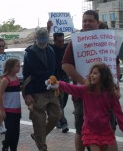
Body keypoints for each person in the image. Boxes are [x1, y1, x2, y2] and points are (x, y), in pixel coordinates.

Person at [62, 10, 120, 151]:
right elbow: (65, 65)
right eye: (84, 21)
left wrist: (115, 83)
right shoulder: (76, 41)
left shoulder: (107, 39)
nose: (86, 23)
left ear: (97, 22)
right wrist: (84, 81)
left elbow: (115, 64)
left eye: (90, 20)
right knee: (81, 130)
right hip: (84, 95)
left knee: (109, 128)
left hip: (105, 94)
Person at [47, 62, 123, 151]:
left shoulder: (110, 95)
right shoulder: (86, 90)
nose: (91, 75)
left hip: (105, 130)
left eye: (95, 73)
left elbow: (118, 113)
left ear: (103, 76)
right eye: (91, 73)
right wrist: (58, 83)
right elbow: (71, 88)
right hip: (90, 129)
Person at [22, 27, 61, 151]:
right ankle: (42, 146)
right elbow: (26, 76)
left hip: (51, 90)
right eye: (40, 38)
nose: (43, 41)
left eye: (45, 38)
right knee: (39, 122)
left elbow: (55, 70)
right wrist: (27, 94)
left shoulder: (51, 50)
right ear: (36, 38)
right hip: (37, 92)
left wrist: (58, 85)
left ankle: (38, 136)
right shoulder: (29, 53)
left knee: (56, 116)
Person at [47, 21, 69, 133]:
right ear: (54, 41)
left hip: (65, 78)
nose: (61, 43)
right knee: (59, 100)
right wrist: (48, 28)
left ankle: (57, 119)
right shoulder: (51, 48)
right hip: (56, 78)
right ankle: (64, 123)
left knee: (64, 101)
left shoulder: (66, 47)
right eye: (59, 41)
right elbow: (44, 41)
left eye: (63, 40)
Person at [0, 58, 22, 151]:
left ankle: (13, 148)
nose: (19, 67)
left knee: (16, 132)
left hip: (17, 109)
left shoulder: (16, 78)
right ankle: (6, 143)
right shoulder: (5, 79)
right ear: (11, 67)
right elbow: (0, 95)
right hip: (8, 110)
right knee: (11, 131)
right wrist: (2, 110)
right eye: (17, 66)